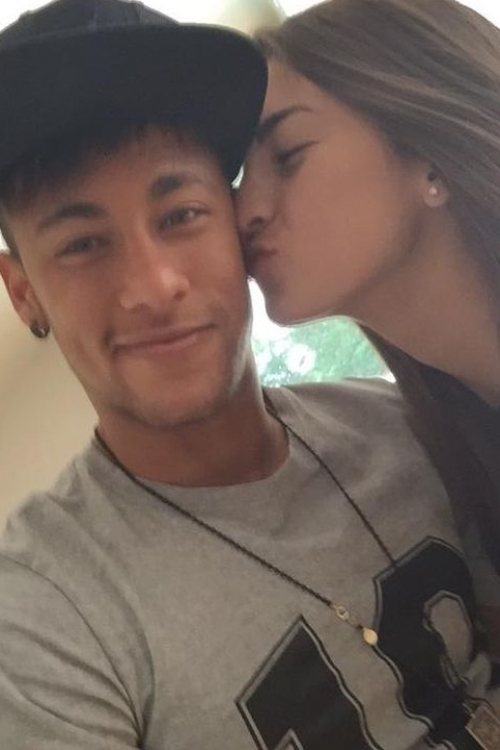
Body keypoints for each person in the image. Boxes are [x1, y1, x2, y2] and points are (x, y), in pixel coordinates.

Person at [0, 0, 498, 748]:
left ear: (234, 226)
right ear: (23, 292)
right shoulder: (42, 618)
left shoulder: (407, 425)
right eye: (82, 245)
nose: (154, 285)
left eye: (181, 215)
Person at [236, 0, 500, 649]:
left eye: (288, 155)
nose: (244, 212)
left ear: (428, 154)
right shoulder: (447, 437)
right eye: (238, 179)